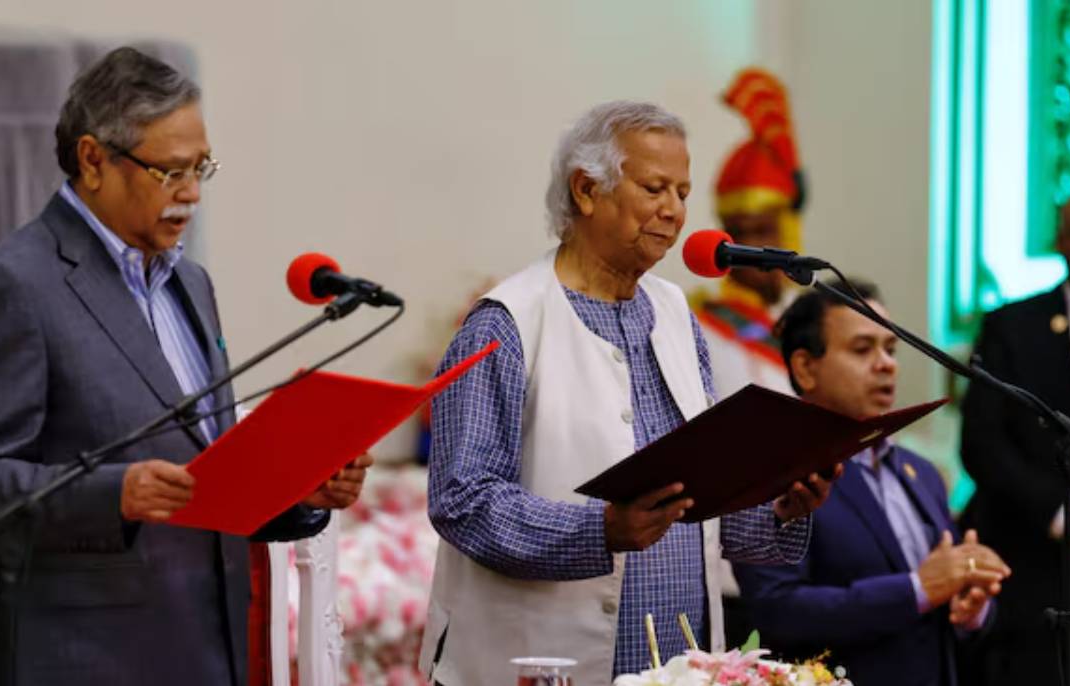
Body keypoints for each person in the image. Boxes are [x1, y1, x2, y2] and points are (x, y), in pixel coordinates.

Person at [0, 47, 370, 686]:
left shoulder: (190, 284)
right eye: (169, 172)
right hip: (83, 661)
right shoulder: (12, 286)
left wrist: (296, 490)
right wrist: (115, 494)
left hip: (207, 650)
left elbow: (208, 479)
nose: (191, 194)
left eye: (201, 168)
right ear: (92, 160)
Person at [418, 100, 839, 686]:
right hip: (537, 662)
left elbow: (695, 503)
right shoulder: (506, 323)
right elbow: (464, 501)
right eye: (654, 188)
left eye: (684, 193)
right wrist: (601, 532)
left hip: (680, 666)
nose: (674, 211)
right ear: (587, 190)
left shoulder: (675, 314)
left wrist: (778, 508)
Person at [734, 280, 1010, 686]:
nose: (887, 364)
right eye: (863, 350)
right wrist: (917, 588)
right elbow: (778, 608)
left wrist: (970, 608)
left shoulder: (921, 472)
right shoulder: (776, 474)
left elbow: (944, 599)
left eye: (891, 349)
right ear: (805, 368)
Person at [961, 187, 1070, 686]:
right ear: (1060, 241)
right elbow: (982, 445)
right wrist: (1064, 512)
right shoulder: (1012, 325)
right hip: (1036, 565)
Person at [692, 67, 807, 398]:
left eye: (764, 230)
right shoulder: (701, 327)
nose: (751, 246)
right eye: (738, 232)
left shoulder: (817, 318)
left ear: (788, 230)